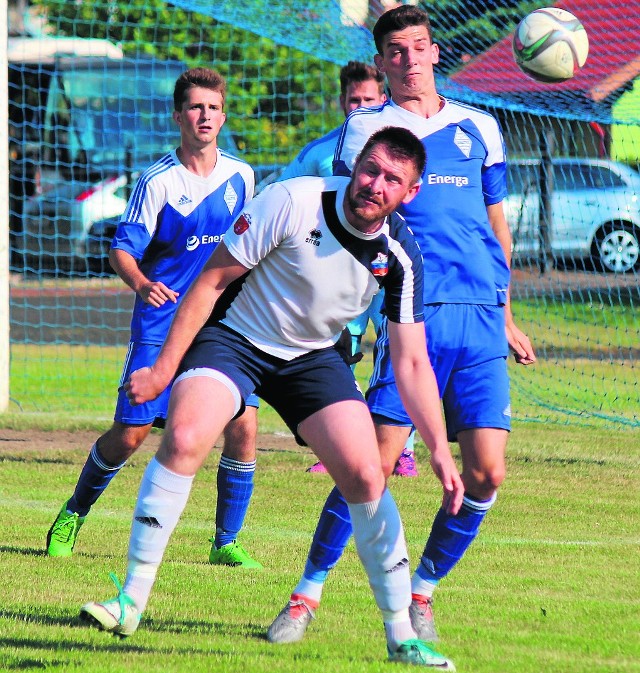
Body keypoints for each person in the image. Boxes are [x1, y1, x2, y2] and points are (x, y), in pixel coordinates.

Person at [78, 127, 463, 670]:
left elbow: (411, 361)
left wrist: (439, 449)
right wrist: (164, 369)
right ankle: (130, 602)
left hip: (310, 357)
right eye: (370, 169)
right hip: (233, 338)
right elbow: (210, 282)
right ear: (356, 166)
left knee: (366, 473)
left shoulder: (399, 256)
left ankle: (401, 637)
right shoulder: (294, 199)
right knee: (186, 437)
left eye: (391, 179)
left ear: (410, 192)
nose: (375, 184)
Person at [267, 4, 536, 646]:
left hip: (478, 318)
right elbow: (348, 217)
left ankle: (423, 591)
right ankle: (307, 595)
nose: (410, 59)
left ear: (435, 52)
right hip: (413, 313)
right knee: (371, 464)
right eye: (397, 50)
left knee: (488, 473)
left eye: (419, 47)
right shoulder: (367, 127)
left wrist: (505, 311)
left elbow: (494, 226)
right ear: (383, 61)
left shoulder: (481, 129)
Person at [45, 67, 262, 569]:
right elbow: (122, 249)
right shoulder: (158, 180)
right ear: (178, 115)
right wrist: (143, 283)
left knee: (244, 424)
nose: (204, 115)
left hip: (218, 321)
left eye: (212, 107)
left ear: (223, 116)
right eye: (194, 106)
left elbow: (251, 243)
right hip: (162, 320)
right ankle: (74, 511)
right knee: (132, 434)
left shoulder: (241, 176)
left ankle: (226, 541)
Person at [279, 60, 418, 477]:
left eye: (368, 99)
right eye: (353, 99)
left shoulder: (406, 154)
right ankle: (339, 443)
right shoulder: (319, 153)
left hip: (387, 271)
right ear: (342, 101)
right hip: (339, 275)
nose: (360, 105)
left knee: (397, 349)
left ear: (384, 100)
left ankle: (402, 447)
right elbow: (282, 193)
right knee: (336, 352)